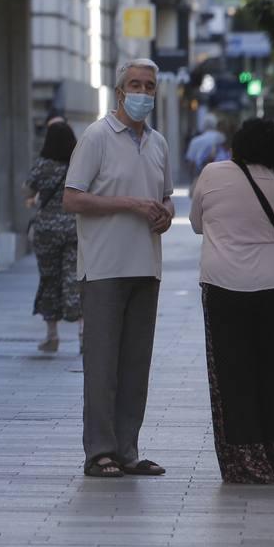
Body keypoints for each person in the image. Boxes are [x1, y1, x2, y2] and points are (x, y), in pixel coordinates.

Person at [63, 59, 174, 479]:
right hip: (105, 267)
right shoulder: (96, 137)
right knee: (102, 365)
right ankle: (100, 452)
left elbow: (166, 198)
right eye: (135, 85)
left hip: (147, 265)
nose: (143, 92)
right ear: (119, 91)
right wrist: (129, 204)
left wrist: (165, 212)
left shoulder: (159, 143)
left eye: (149, 85)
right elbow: (72, 198)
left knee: (134, 366)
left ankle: (128, 449)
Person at [190, 118, 274, 484]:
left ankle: (246, 463)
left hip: (222, 287)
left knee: (231, 375)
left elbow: (197, 224)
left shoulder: (212, 175)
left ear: (237, 147)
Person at [26, 120, 81, 352]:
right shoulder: (78, 164)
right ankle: (83, 334)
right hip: (74, 227)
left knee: (49, 279)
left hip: (47, 229)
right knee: (75, 279)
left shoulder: (42, 165)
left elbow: (28, 190)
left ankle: (52, 335)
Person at [185, 118, 226, 182]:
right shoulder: (221, 137)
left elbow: (191, 162)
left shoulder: (195, 141)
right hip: (220, 175)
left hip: (200, 176)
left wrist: (192, 179)